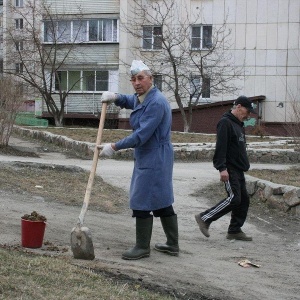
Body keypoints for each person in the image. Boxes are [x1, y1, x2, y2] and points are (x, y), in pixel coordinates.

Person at [99, 60, 179, 260]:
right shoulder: (145, 97)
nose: (136, 83)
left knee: (142, 199)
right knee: (160, 198)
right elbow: (131, 100)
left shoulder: (156, 102)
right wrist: (116, 97)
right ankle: (172, 244)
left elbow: (141, 135)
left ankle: (142, 247)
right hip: (152, 154)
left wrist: (114, 146)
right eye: (133, 79)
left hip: (154, 155)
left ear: (150, 79)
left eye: (140, 78)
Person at [195, 96, 257, 241]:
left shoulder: (238, 125)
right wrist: (222, 168)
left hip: (239, 168)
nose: (248, 115)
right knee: (234, 198)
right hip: (229, 168)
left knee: (244, 200)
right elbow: (221, 148)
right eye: (248, 111)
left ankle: (234, 230)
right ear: (239, 107)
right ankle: (204, 218)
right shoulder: (225, 123)